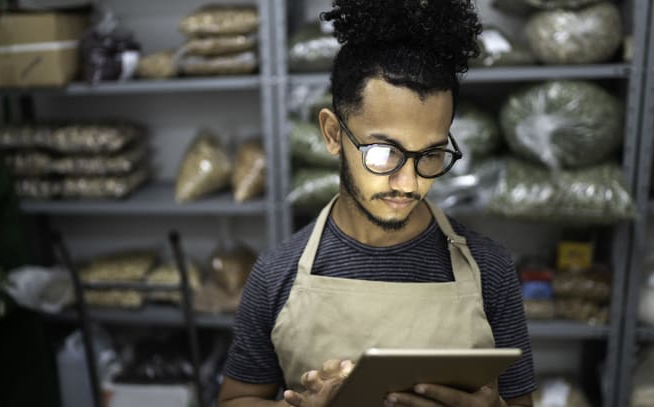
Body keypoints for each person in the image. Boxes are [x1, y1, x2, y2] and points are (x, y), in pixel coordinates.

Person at [218, 0, 536, 406]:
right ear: (333, 133)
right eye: (385, 153)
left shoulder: (490, 270)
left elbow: (521, 400)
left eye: (431, 155)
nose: (409, 183)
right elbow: (234, 400)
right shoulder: (276, 275)